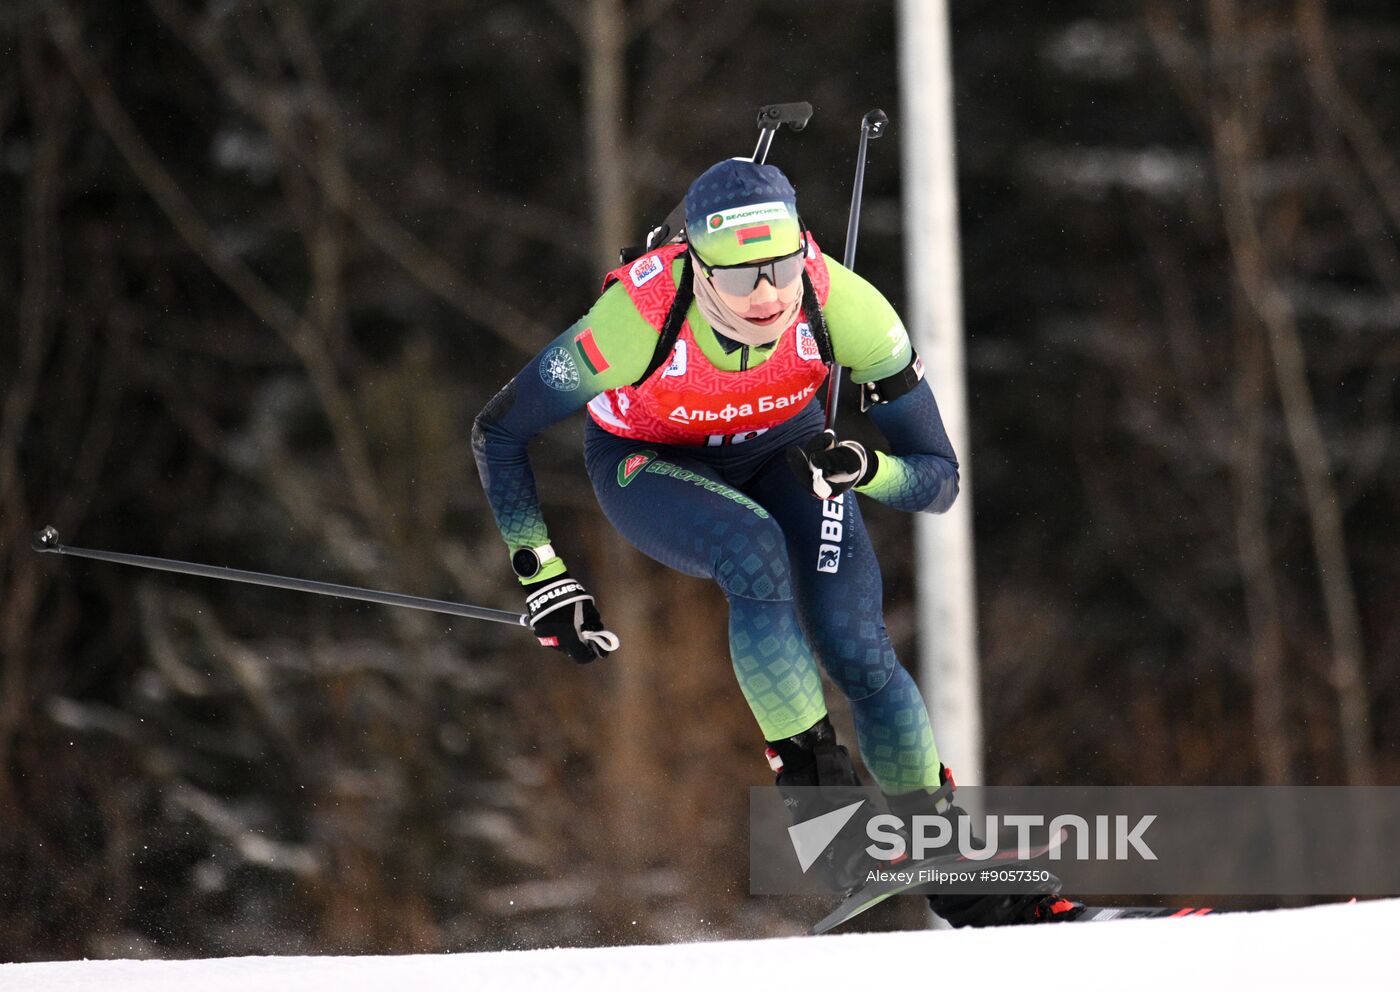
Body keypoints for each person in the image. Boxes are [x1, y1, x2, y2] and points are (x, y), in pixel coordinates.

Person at [472, 158, 1078, 926]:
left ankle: (947, 853)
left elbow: (939, 480)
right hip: (648, 464)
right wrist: (544, 574)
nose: (767, 295)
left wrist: (865, 467)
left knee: (858, 646)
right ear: (697, 268)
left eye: (782, 268)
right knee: (753, 549)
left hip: (786, 452)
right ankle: (832, 825)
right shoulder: (633, 320)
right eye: (740, 277)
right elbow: (499, 431)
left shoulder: (847, 305)